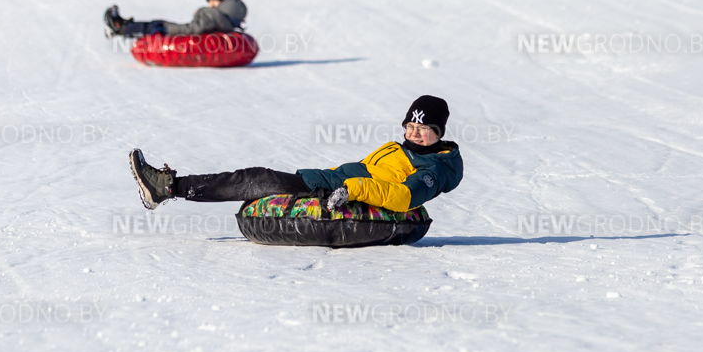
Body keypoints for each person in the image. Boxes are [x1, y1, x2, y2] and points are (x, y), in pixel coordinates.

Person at [129, 96, 464, 215]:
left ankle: (167, 187)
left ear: (440, 132)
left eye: (423, 128)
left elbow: (405, 196)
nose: (414, 133)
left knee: (255, 179)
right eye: (409, 125)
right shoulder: (402, 149)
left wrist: (353, 190)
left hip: (337, 194)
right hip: (328, 181)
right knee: (256, 179)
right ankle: (168, 188)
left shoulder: (433, 167)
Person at [104, 0, 247, 38]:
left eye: (211, 1)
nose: (210, 5)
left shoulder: (215, 15)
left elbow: (195, 29)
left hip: (180, 34)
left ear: (218, 0)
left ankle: (119, 27)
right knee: (158, 24)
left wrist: (167, 30)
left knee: (155, 25)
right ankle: (122, 26)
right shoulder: (229, 16)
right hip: (187, 32)